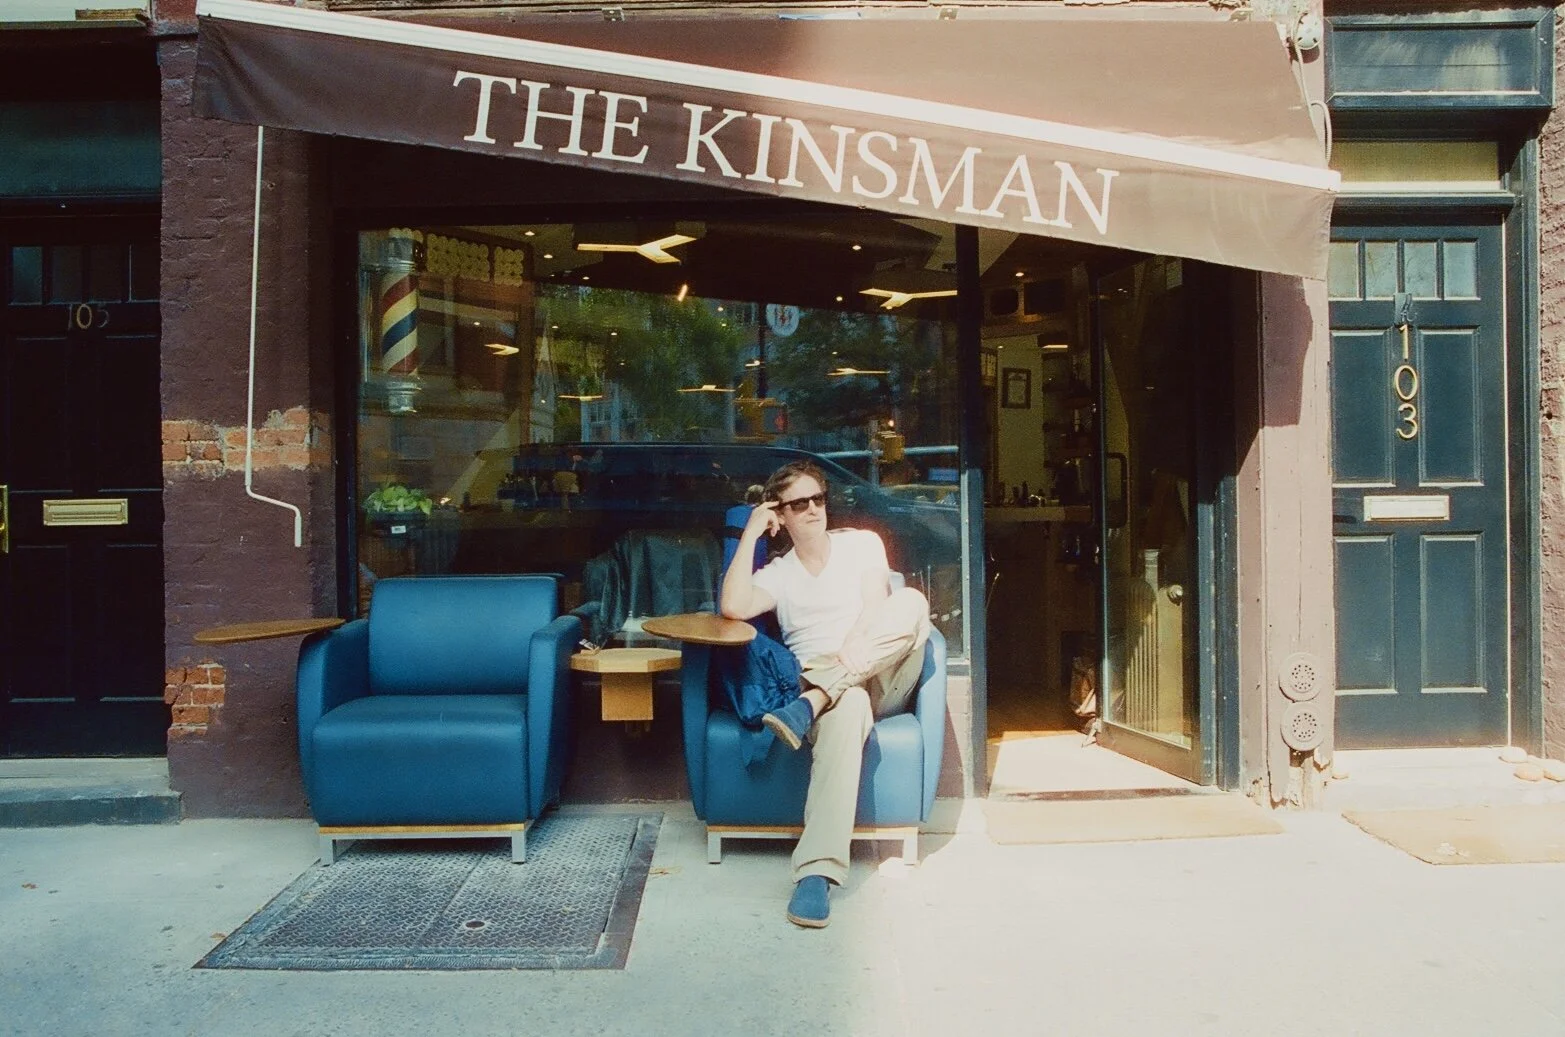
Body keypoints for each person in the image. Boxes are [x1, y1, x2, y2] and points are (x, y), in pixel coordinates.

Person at [719, 459, 931, 929]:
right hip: (837, 688)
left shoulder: (861, 545)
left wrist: (855, 643)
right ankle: (816, 873)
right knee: (849, 702)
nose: (814, 509)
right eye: (799, 504)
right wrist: (751, 532)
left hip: (880, 667)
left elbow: (878, 603)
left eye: (818, 499)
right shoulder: (778, 573)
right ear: (782, 516)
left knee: (912, 603)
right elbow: (732, 606)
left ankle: (811, 701)